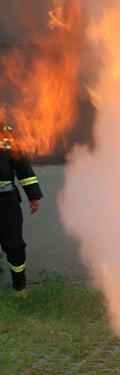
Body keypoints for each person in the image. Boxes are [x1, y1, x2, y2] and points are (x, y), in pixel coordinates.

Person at [0, 124, 42, 297]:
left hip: (6, 202)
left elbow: (23, 165)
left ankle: (20, 288)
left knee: (14, 245)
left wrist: (33, 195)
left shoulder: (7, 134)